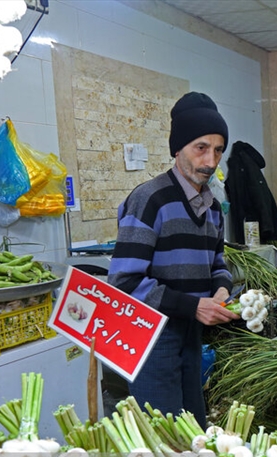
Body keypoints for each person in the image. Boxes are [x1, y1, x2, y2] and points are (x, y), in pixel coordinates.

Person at [108, 92, 239, 424]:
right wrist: (193, 306)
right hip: (151, 338)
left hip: (191, 336)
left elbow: (218, 265)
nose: (210, 161)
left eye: (218, 150)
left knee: (193, 426)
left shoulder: (212, 208)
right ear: (177, 148)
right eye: (201, 147)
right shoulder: (150, 200)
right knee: (164, 435)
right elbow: (125, 282)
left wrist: (222, 290)